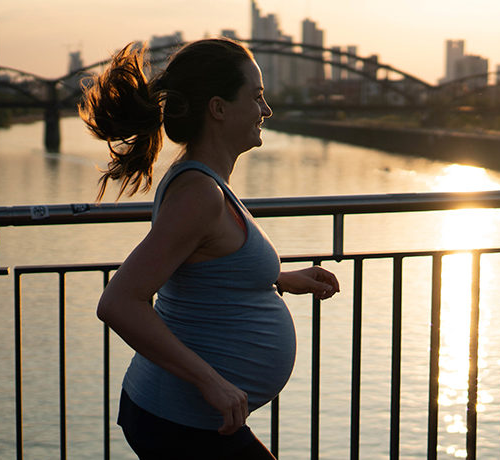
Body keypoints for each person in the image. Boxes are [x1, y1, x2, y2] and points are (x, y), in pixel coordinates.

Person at [79, 38, 340, 459]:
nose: (266, 110)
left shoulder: (206, 183)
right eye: (256, 97)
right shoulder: (198, 193)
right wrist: (210, 382)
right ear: (218, 108)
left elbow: (204, 264)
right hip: (178, 420)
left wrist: (282, 280)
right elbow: (119, 302)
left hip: (187, 419)